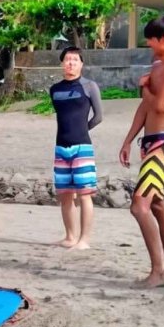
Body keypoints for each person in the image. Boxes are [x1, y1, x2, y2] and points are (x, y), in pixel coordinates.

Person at [120, 16, 164, 287]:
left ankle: (158, 271)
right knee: (159, 205)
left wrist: (144, 87)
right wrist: (128, 140)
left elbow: (159, 106)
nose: (148, 43)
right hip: (151, 143)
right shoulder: (158, 65)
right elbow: (145, 109)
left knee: (140, 206)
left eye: (150, 38)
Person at [49, 46, 102, 249]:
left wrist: (82, 129)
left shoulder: (89, 86)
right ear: (62, 63)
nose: (70, 63)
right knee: (64, 194)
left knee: (84, 193)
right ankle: (70, 236)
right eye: (67, 59)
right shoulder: (55, 89)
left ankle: (84, 239)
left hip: (82, 147)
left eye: (75, 60)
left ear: (81, 64)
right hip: (60, 147)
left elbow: (98, 117)